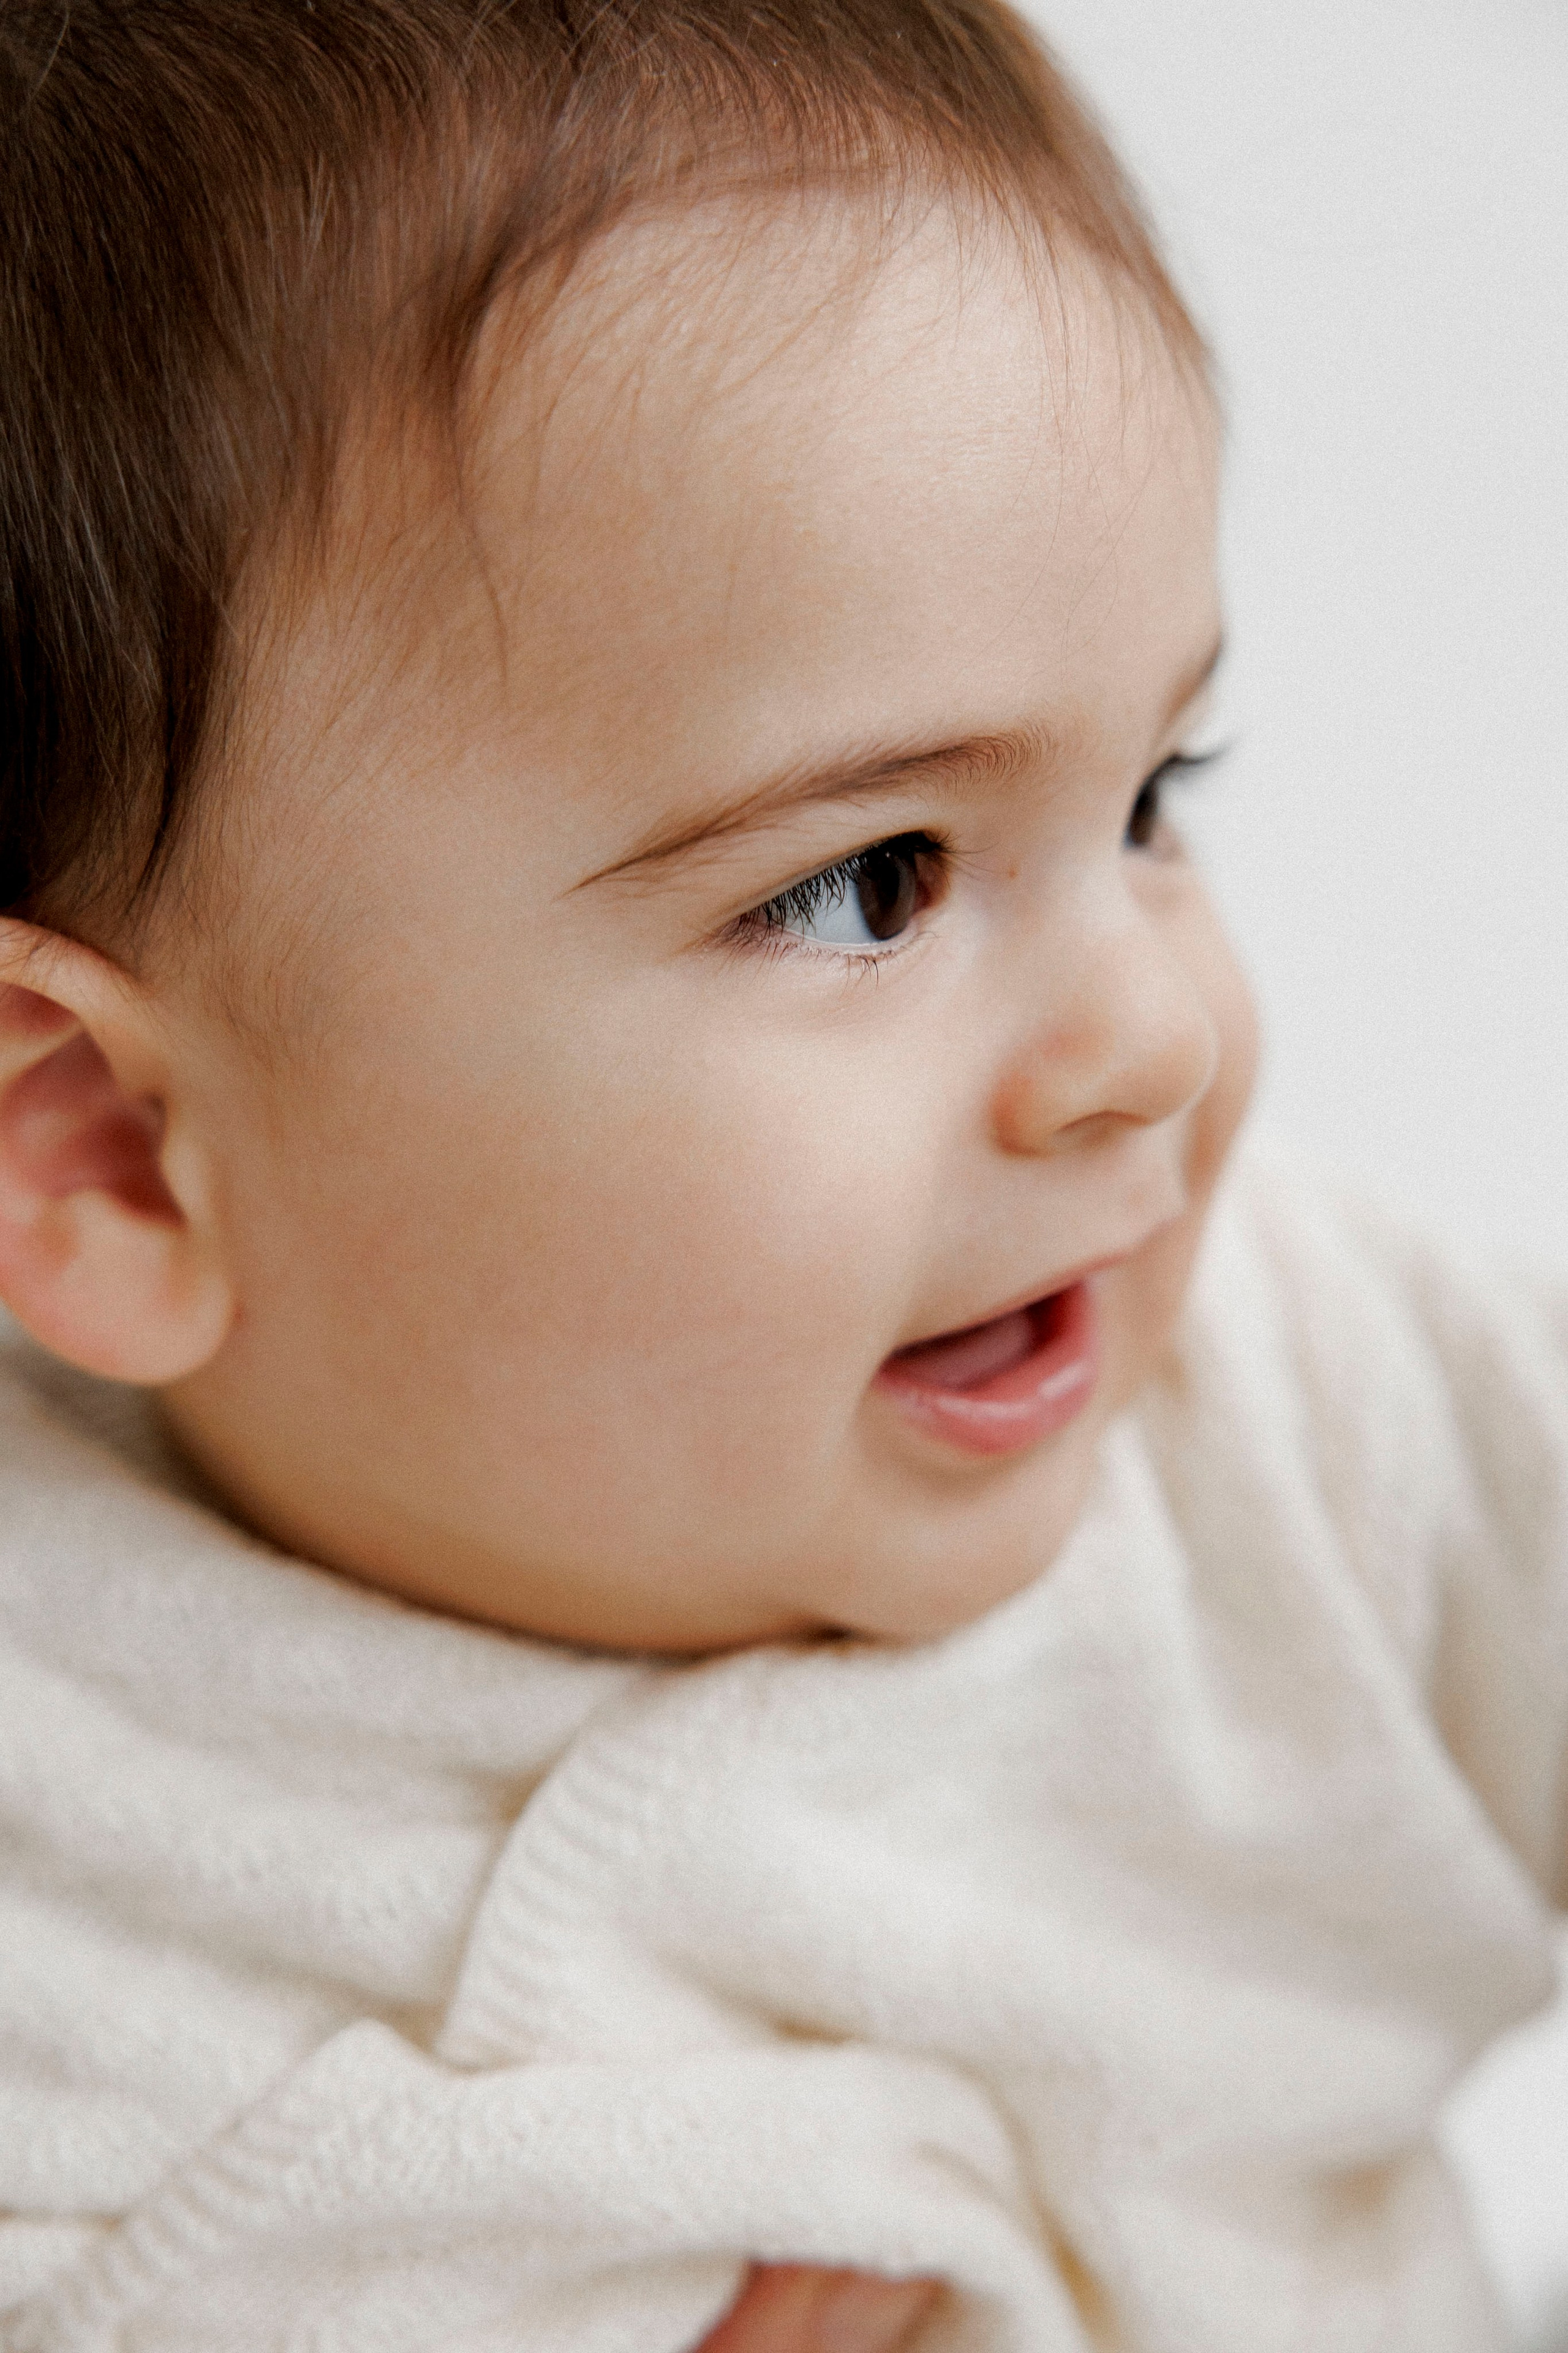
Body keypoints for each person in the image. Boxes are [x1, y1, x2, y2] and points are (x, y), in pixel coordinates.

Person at [0, 1, 1561, 2347]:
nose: (1149, 1042)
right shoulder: (76, 1913)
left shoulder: (1301, 1420)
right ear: (114, 1151)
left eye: (1151, 801)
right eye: (868, 883)